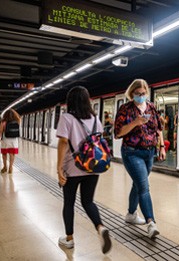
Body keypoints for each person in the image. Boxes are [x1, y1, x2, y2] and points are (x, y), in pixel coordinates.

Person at [56, 86, 112, 254]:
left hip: (72, 168)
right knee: (88, 202)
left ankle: (69, 240)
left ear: (70, 101)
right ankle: (100, 227)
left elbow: (63, 142)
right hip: (93, 167)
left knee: (69, 203)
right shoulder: (96, 119)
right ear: (88, 101)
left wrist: (59, 168)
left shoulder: (66, 118)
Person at [114, 79, 166, 239]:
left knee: (138, 184)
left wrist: (162, 146)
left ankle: (131, 214)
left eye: (143, 94)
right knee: (144, 186)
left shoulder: (151, 107)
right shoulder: (125, 109)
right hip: (132, 152)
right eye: (137, 94)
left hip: (149, 153)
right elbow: (118, 133)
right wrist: (135, 122)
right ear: (132, 94)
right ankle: (151, 223)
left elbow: (158, 129)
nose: (141, 96)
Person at [0, 109, 20, 174]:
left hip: (5, 140)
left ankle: (5, 167)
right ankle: (10, 167)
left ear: (5, 115)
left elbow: (0, 132)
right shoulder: (17, 121)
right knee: (12, 154)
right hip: (14, 140)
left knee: (4, 154)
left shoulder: (3, 122)